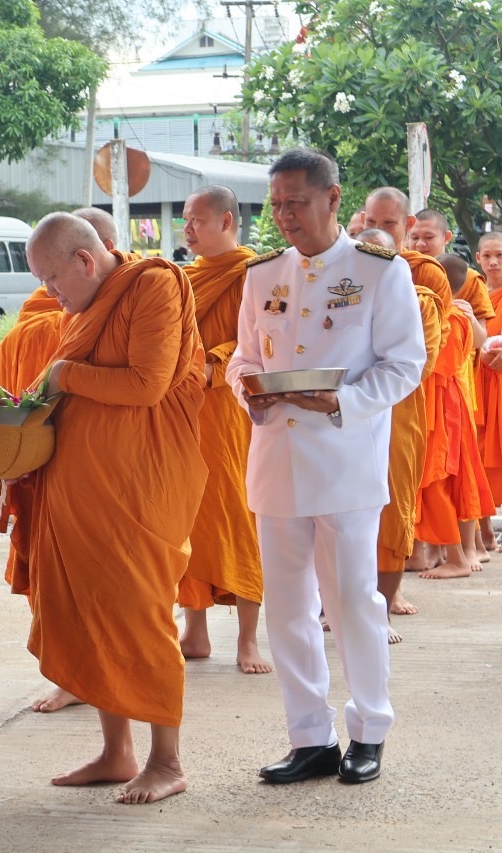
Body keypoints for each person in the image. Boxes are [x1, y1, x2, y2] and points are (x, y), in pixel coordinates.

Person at [228, 148, 424, 786]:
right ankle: (309, 736)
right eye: (276, 204)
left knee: (352, 605)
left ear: (334, 199)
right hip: (277, 461)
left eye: (297, 203)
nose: (284, 216)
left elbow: (403, 366)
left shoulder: (378, 272)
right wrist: (249, 388)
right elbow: (241, 359)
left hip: (344, 463)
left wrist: (340, 400)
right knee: (286, 608)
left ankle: (370, 729)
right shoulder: (263, 276)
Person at [16, 212, 206, 804]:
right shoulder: (86, 305)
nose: (50, 294)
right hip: (80, 488)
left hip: (139, 485)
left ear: (84, 260)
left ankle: (167, 762)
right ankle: (117, 752)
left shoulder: (155, 284)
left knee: (137, 612)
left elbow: (147, 385)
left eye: (52, 278)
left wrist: (65, 375)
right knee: (90, 612)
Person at [0, 204, 121, 716]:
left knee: (106, 582)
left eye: (53, 276)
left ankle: (98, 672)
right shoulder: (38, 321)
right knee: (48, 572)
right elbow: (5, 393)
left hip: (100, 473)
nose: (51, 289)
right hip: (38, 469)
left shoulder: (125, 309)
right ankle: (70, 672)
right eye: (43, 278)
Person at [366, 188, 491, 579]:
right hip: (362, 398)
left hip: (422, 397)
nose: (379, 231)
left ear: (406, 225)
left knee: (423, 480)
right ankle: (416, 554)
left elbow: (433, 350)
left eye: (389, 224)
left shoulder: (426, 273)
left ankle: (413, 571)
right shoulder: (352, 268)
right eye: (372, 223)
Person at [175, 185, 270, 674]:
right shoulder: (183, 278)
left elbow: (261, 337)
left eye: (196, 220)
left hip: (228, 407)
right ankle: (194, 630)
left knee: (235, 513)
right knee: (189, 514)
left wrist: (212, 364)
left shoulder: (255, 274)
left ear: (227, 222)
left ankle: (249, 639)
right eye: (186, 221)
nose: (186, 229)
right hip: (184, 409)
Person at [349, 227, 442, 639]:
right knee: (340, 515)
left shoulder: (420, 304)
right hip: (343, 422)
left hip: (398, 419)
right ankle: (340, 604)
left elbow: (419, 365)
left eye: (382, 259)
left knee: (392, 514)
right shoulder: (340, 298)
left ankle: (382, 609)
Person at [407, 208, 496, 554]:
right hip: (416, 386)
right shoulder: (400, 270)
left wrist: (461, 313)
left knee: (454, 468)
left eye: (428, 237)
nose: (420, 243)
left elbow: (480, 336)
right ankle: (435, 548)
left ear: (445, 238)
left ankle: (467, 546)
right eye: (415, 237)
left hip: (453, 382)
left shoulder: (467, 280)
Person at [475, 233, 502, 503]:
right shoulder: (474, 293)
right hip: (481, 386)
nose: (493, 262)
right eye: (487, 256)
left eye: (500, 255)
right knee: (480, 453)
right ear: (478, 258)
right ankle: (485, 532)